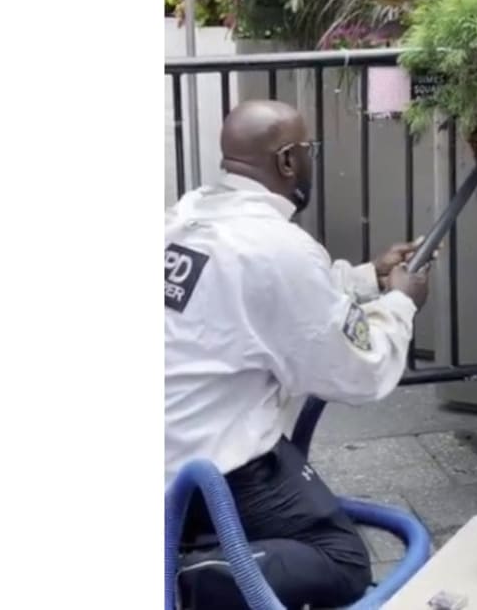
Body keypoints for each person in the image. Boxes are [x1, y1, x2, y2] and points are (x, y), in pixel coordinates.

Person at [165, 99, 432, 609]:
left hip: (169, 449)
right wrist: (401, 303)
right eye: (309, 150)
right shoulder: (277, 247)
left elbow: (277, 299)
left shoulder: (186, 216)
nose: (311, 161)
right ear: (288, 160)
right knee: (341, 559)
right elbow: (360, 371)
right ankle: (190, 582)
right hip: (210, 471)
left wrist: (368, 279)